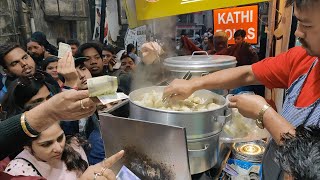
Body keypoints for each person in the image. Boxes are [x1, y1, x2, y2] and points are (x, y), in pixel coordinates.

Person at [164, 0, 320, 179]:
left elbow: (312, 165)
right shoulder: (304, 59)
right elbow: (247, 74)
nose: (297, 32)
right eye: (298, 21)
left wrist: (264, 114)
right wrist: (194, 84)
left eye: (307, 25)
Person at [4, 122, 88, 179]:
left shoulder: (74, 146)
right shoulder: (18, 172)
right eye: (46, 144)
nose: (58, 148)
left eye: (60, 138)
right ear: (27, 147)